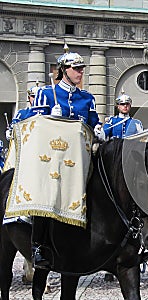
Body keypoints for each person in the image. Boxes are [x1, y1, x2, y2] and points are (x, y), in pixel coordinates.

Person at [30, 44, 100, 269]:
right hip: (52, 157)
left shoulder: (87, 98)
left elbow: (93, 123)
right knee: (47, 193)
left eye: (82, 69)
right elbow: (34, 127)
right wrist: (49, 117)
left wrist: (98, 128)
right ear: (63, 69)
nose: (80, 72)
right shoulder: (45, 93)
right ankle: (38, 245)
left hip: (80, 156)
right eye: (76, 68)